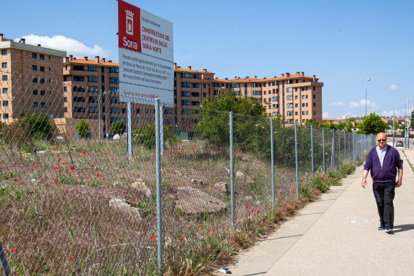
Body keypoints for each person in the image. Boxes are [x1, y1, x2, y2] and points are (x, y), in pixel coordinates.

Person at [362, 132, 403, 234]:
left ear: (386, 140)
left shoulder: (393, 151)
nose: (381, 142)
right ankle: (383, 223)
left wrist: (400, 179)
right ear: (376, 140)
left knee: (388, 202)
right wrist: (364, 178)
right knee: (380, 203)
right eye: (379, 140)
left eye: (383, 140)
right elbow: (367, 166)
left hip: (389, 182)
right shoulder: (372, 152)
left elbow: (400, 166)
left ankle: (389, 225)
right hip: (377, 183)